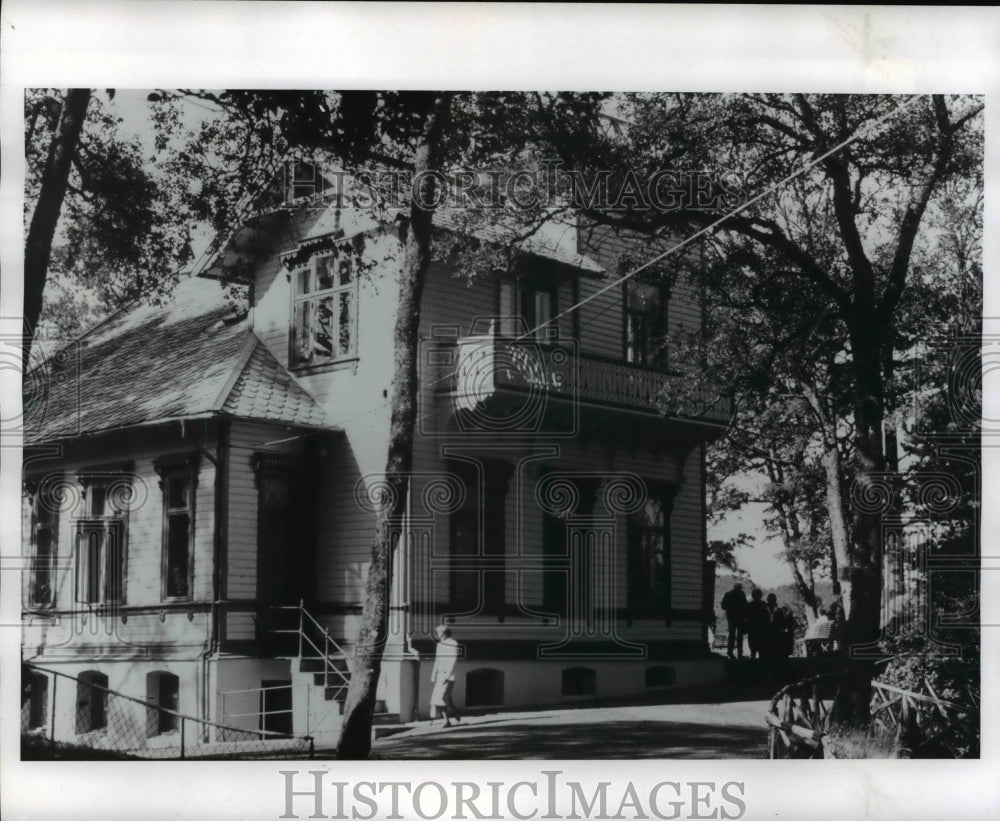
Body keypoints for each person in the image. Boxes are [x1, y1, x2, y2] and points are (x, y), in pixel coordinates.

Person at [430, 624, 461, 726]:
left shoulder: (453, 644)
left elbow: (453, 660)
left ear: (445, 633)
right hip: (440, 675)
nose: (438, 634)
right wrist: (433, 674)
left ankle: (446, 721)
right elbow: (437, 660)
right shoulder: (440, 645)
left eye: (439, 632)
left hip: (448, 676)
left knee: (442, 698)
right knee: (445, 699)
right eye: (437, 632)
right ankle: (456, 715)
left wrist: (446, 676)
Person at [720, 582, 748, 658]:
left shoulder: (728, 594)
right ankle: (739, 653)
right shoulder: (742, 594)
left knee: (731, 635)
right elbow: (745, 606)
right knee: (740, 636)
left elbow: (723, 606)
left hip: (731, 618)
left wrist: (729, 610)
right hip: (740, 618)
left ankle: (730, 652)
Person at [745, 588, 768, 660]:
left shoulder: (749, 605)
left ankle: (753, 659)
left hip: (752, 628)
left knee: (753, 647)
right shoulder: (764, 605)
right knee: (761, 648)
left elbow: (746, 616)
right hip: (762, 629)